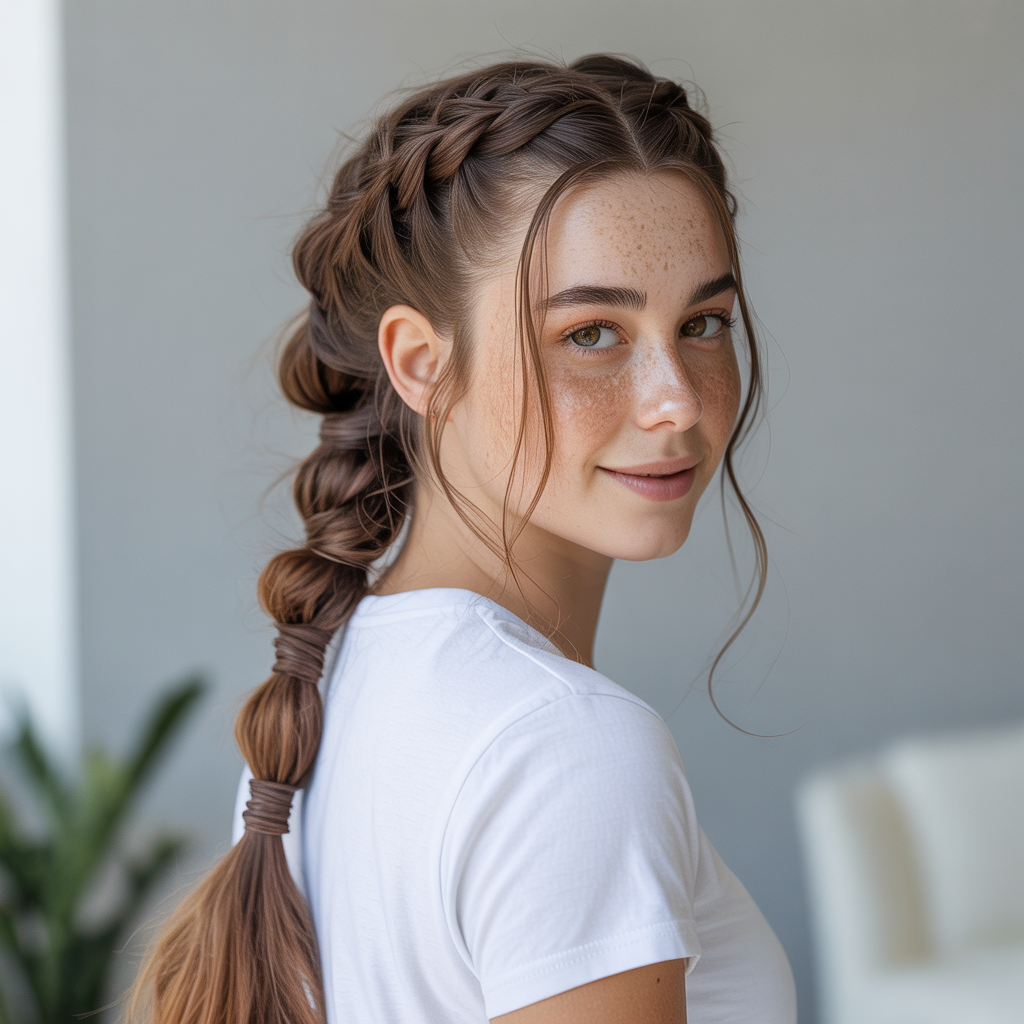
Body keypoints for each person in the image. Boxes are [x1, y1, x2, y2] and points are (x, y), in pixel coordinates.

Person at [129, 54, 796, 1024]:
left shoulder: (323, 694)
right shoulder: (567, 748)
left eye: (703, 321)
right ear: (421, 363)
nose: (677, 399)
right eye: (592, 334)